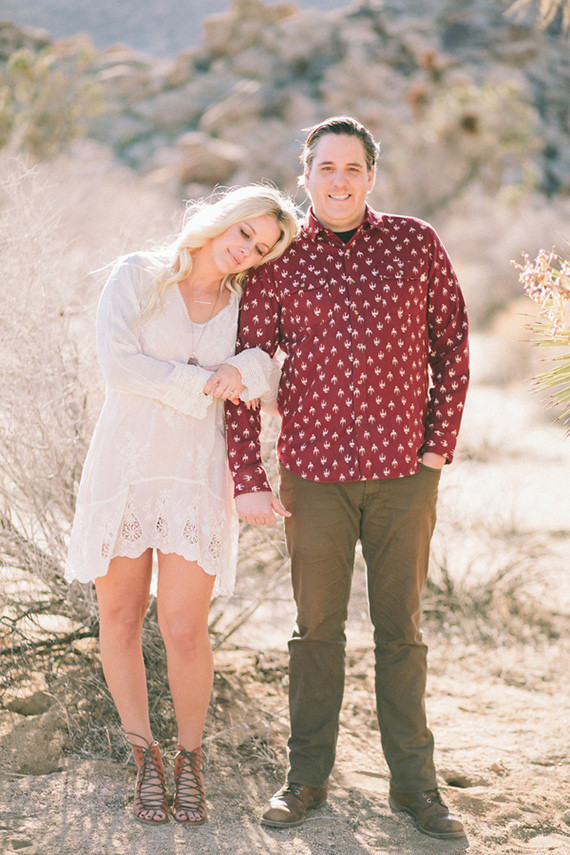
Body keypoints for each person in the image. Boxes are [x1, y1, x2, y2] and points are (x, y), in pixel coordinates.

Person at [225, 117, 470, 840]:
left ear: (371, 175)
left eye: (352, 168)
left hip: (404, 475)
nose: (339, 180)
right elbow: (246, 371)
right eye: (325, 167)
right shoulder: (278, 260)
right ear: (306, 175)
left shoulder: (415, 243)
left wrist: (436, 450)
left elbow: (453, 344)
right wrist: (248, 473)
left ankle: (416, 789)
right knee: (315, 632)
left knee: (402, 632)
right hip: (314, 475)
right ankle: (305, 778)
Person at [65, 184, 299, 825]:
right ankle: (145, 761)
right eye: (244, 233)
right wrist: (206, 381)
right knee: (119, 619)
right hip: (126, 470)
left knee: (185, 631)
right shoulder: (139, 276)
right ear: (222, 220)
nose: (245, 250)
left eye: (261, 247)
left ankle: (189, 760)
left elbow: (270, 372)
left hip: (197, 476)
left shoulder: (246, 303)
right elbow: (118, 366)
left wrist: (246, 370)